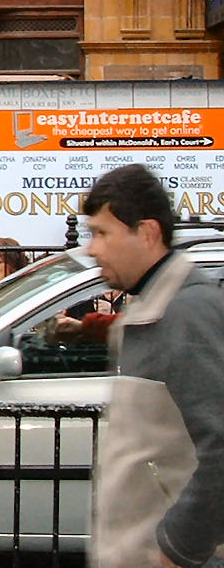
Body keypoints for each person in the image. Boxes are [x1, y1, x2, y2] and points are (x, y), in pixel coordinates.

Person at [86, 164, 224, 568]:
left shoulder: (187, 313)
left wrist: (178, 547)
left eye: (102, 233)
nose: (92, 248)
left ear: (146, 233)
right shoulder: (153, 309)